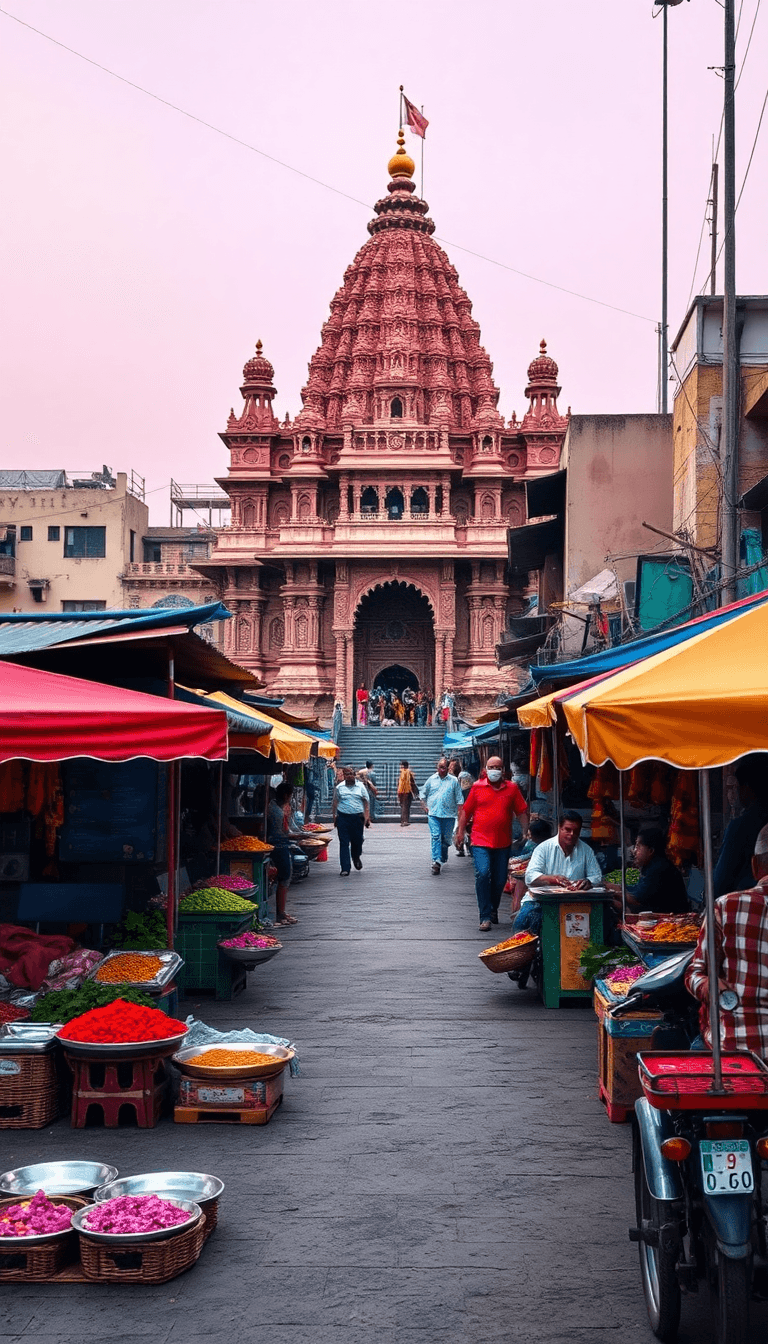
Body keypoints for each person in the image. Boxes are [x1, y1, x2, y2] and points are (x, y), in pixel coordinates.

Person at [686, 824, 768, 1055]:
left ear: (754, 866)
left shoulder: (726, 906)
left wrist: (711, 987)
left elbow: (695, 974)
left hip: (735, 1050)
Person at [455, 756, 529, 931]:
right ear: (485, 769)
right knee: (482, 873)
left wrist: (526, 831)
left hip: (503, 842)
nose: (494, 770)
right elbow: (466, 811)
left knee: (499, 879)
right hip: (480, 840)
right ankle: (485, 916)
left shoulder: (512, 788)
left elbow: (522, 811)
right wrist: (460, 832)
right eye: (491, 767)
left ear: (503, 770)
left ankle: (493, 908)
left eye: (497, 767)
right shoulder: (477, 787)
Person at [515, 811, 603, 936]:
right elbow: (530, 876)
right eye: (567, 830)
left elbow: (597, 876)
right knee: (525, 919)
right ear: (559, 828)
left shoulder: (586, 850)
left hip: (575, 902)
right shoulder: (543, 848)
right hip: (541, 901)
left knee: (602, 920)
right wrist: (552, 879)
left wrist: (588, 882)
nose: (571, 835)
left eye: (575, 831)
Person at [714, 756, 768, 897]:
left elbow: (721, 880)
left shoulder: (741, 826)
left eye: (737, 787)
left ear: (747, 787)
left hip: (747, 906)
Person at [604, 827, 689, 915]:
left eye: (638, 846)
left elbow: (636, 899)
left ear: (651, 850)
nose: (634, 851)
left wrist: (614, 892)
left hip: (671, 919)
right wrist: (617, 889)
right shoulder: (650, 866)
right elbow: (637, 890)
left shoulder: (658, 868)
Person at [420, 757, 464, 874]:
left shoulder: (454, 781)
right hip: (434, 814)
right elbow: (422, 793)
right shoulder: (431, 779)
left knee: (445, 839)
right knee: (435, 836)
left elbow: (460, 799)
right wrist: (425, 806)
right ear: (437, 767)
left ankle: (442, 857)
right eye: (440, 767)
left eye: (444, 767)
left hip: (449, 815)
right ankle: (436, 861)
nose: (441, 770)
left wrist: (460, 817)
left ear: (448, 768)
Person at [267, 782, 298, 926]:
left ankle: (282, 911)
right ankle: (280, 913)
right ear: (286, 795)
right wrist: (297, 837)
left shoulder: (278, 808)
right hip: (278, 845)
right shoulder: (276, 811)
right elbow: (281, 832)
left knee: (285, 878)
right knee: (284, 877)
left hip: (281, 844)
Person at [332, 764, 370, 875]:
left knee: (357, 841)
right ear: (344, 775)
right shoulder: (339, 788)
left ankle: (356, 856)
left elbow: (366, 802)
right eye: (346, 774)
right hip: (343, 817)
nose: (349, 776)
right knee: (344, 842)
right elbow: (335, 803)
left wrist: (367, 818)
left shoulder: (361, 787)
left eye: (350, 774)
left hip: (357, 818)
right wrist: (334, 817)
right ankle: (345, 868)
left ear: (354, 775)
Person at [397, 759, 418, 826]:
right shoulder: (409, 773)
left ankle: (403, 820)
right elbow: (412, 783)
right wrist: (415, 791)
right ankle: (405, 821)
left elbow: (398, 783)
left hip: (401, 792)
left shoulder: (401, 773)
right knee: (406, 806)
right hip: (407, 792)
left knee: (403, 806)